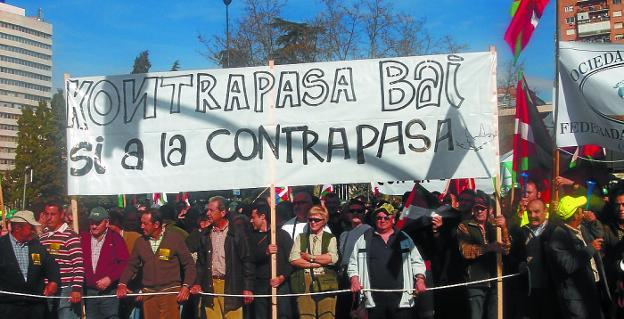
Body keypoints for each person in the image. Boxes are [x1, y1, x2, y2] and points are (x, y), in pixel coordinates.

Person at [348, 204, 427, 319]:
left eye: (386, 217)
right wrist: (354, 280)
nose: (382, 220)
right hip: (373, 301)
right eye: (379, 218)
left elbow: (417, 262)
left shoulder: (404, 238)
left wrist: (420, 279)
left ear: (393, 219)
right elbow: (353, 263)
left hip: (401, 300)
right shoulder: (364, 238)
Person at [116, 208, 196, 319]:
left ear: (156, 224)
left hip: (170, 293)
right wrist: (122, 284)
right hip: (149, 294)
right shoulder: (140, 242)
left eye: (145, 223)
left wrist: (186, 286)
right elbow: (131, 266)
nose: (141, 226)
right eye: (141, 223)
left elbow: (189, 264)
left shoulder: (174, 238)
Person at [190, 196, 254, 319]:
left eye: (211, 210)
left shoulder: (236, 233)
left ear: (223, 212)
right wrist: (197, 283)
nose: (208, 213)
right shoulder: (205, 234)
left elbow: (247, 261)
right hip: (210, 285)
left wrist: (248, 287)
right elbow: (201, 263)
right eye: (207, 210)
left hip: (232, 285)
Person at [548, 195, 610, 319]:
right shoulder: (558, 236)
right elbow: (568, 265)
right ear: (575, 215)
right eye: (580, 209)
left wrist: (593, 221)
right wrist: (590, 249)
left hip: (593, 289)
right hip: (577, 298)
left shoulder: (581, 228)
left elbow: (599, 235)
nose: (583, 211)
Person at [457, 193, 511, 319]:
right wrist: (488, 248)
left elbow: (507, 249)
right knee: (476, 316)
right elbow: (465, 251)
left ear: (490, 210)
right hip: (476, 280)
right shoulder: (464, 226)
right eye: (476, 208)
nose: (479, 211)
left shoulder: (495, 227)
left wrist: (504, 228)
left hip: (495, 278)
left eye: (482, 208)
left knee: (495, 315)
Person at [0, 211, 60, 319]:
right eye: (31, 227)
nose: (33, 230)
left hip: (35, 308)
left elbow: (52, 265)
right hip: (8, 308)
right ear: (18, 228)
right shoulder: (2, 246)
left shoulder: (36, 245)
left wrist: (53, 281)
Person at [510, 199, 557, 319]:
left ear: (545, 212)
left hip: (550, 288)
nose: (532, 216)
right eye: (529, 212)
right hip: (529, 288)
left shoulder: (555, 230)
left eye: (536, 212)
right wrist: (519, 263)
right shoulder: (522, 232)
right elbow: (514, 255)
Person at [289, 205, 339, 319]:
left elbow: (333, 258)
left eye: (316, 220)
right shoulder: (300, 237)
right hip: (304, 280)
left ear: (324, 221)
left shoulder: (330, 238)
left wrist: (310, 257)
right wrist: (316, 263)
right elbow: (294, 259)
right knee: (306, 316)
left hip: (325, 279)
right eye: (310, 219)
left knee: (327, 315)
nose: (313, 222)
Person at [81, 207, 129, 319]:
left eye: (97, 223)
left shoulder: (115, 238)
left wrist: (110, 278)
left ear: (107, 222)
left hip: (109, 291)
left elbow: (125, 262)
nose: (94, 226)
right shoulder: (83, 238)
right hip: (89, 291)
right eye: (92, 222)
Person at [39, 201, 84, 319]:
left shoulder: (71, 236)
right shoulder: (42, 238)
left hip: (66, 290)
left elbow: (78, 265)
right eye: (47, 214)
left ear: (61, 214)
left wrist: (76, 289)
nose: (49, 218)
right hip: (47, 290)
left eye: (53, 214)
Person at [249, 202, 294, 319]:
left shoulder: (282, 235)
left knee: (283, 315)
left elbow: (292, 260)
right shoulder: (251, 237)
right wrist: (265, 252)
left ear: (262, 216)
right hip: (260, 285)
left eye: (253, 217)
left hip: (281, 284)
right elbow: (249, 259)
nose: (251, 220)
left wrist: (282, 277)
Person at [336, 200, 372, 319]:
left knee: (360, 311)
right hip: (344, 275)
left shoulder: (369, 231)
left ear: (364, 213)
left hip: (362, 274)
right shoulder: (344, 234)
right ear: (347, 214)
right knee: (345, 310)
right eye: (352, 211)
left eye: (359, 211)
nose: (355, 213)